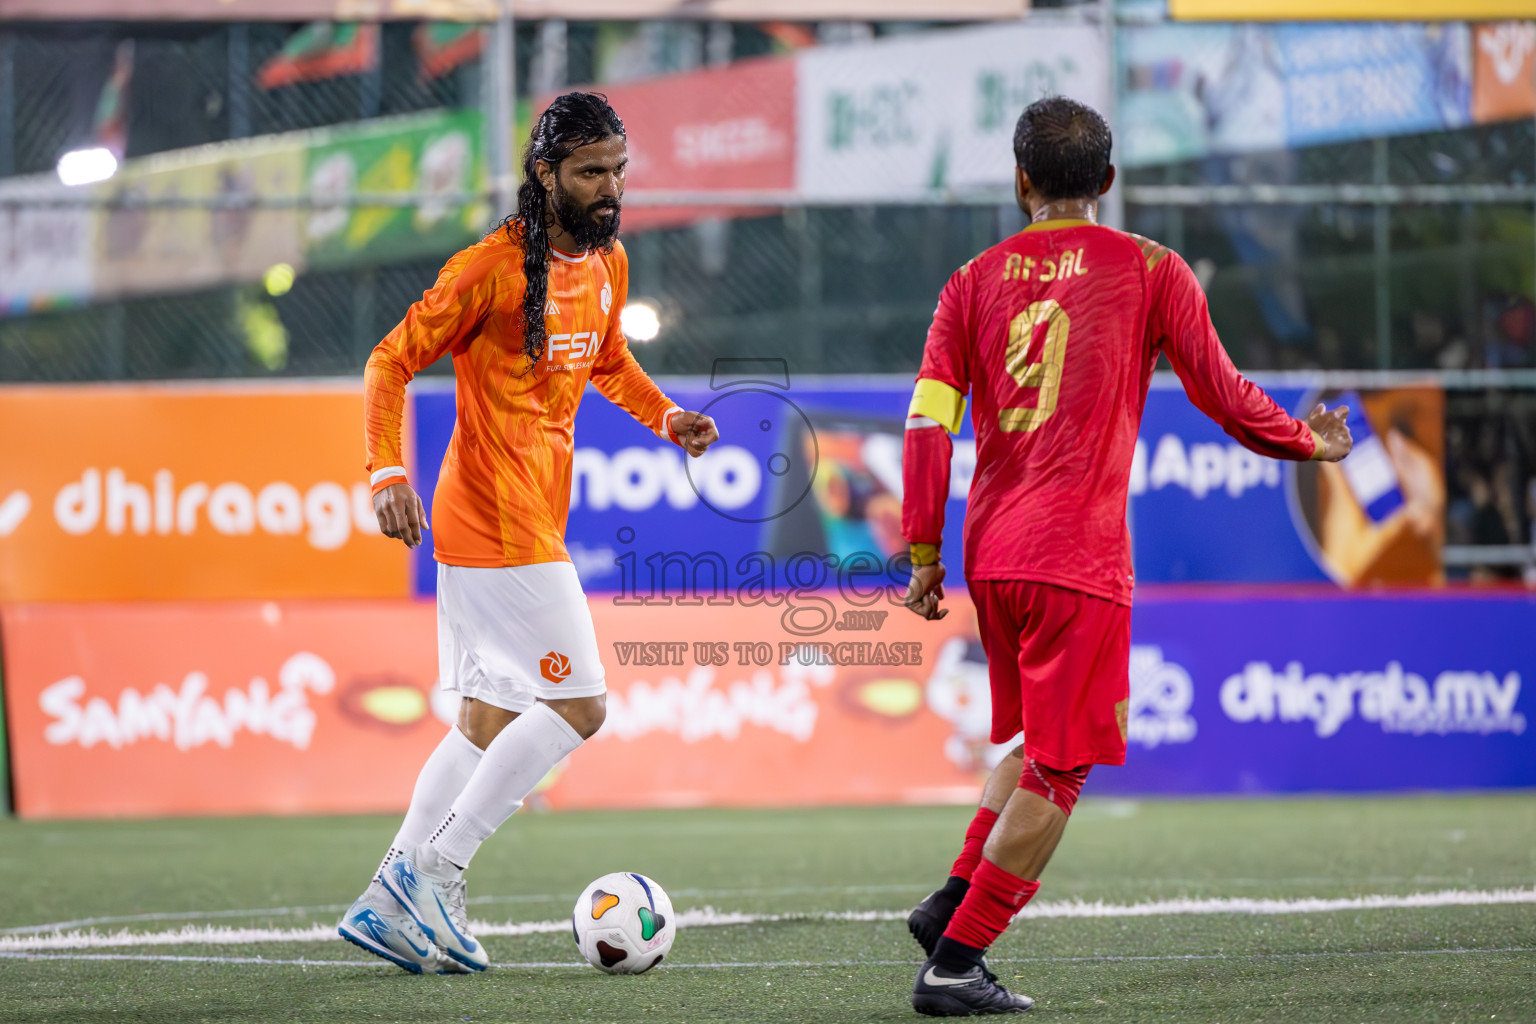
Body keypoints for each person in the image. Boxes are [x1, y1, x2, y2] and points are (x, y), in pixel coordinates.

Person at [899, 96, 1352, 1016]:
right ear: (1106, 181)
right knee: (1062, 769)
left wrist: (921, 552)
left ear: (1019, 180)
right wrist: (1309, 443)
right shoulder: (1152, 268)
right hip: (1077, 556)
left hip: (995, 553)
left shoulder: (969, 280)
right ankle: (955, 963)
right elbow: (1223, 395)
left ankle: (949, 901)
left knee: (1036, 747)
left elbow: (927, 423)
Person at [337, 92, 719, 974]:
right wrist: (386, 472)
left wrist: (667, 419)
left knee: (485, 719)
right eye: (590, 171)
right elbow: (389, 360)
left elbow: (608, 359)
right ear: (544, 174)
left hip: (526, 520)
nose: (610, 187)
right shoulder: (489, 270)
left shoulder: (609, 261)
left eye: (618, 169)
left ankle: (389, 891)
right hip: (493, 521)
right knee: (582, 705)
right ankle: (438, 866)